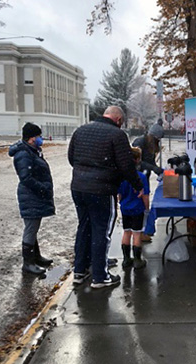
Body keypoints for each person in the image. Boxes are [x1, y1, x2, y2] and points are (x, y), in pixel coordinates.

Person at [68, 106, 144, 289]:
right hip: (102, 190)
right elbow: (126, 166)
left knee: (84, 227)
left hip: (78, 187)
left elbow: (71, 158)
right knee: (101, 231)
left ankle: (80, 270)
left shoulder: (81, 130)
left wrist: (85, 172)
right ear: (118, 120)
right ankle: (100, 277)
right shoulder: (117, 135)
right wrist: (137, 186)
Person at [8, 122, 55, 276]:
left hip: (34, 195)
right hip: (31, 196)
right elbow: (25, 177)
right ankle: (28, 264)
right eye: (38, 136)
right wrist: (43, 187)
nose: (41, 139)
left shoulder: (32, 151)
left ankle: (36, 257)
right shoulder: (24, 153)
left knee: (34, 227)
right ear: (31, 138)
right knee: (31, 228)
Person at [117, 147, 150, 269]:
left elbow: (119, 195)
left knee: (126, 232)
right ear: (138, 160)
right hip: (137, 209)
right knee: (137, 234)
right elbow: (145, 195)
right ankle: (137, 260)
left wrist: (122, 203)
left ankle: (126, 259)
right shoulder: (141, 177)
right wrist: (147, 208)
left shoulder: (122, 177)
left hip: (125, 208)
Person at [132, 121, 164, 242]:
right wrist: (153, 168)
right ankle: (138, 234)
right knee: (139, 206)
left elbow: (149, 161)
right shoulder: (139, 142)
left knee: (145, 205)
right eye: (156, 139)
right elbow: (137, 161)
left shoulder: (151, 145)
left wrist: (157, 170)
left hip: (144, 177)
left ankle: (143, 231)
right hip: (136, 178)